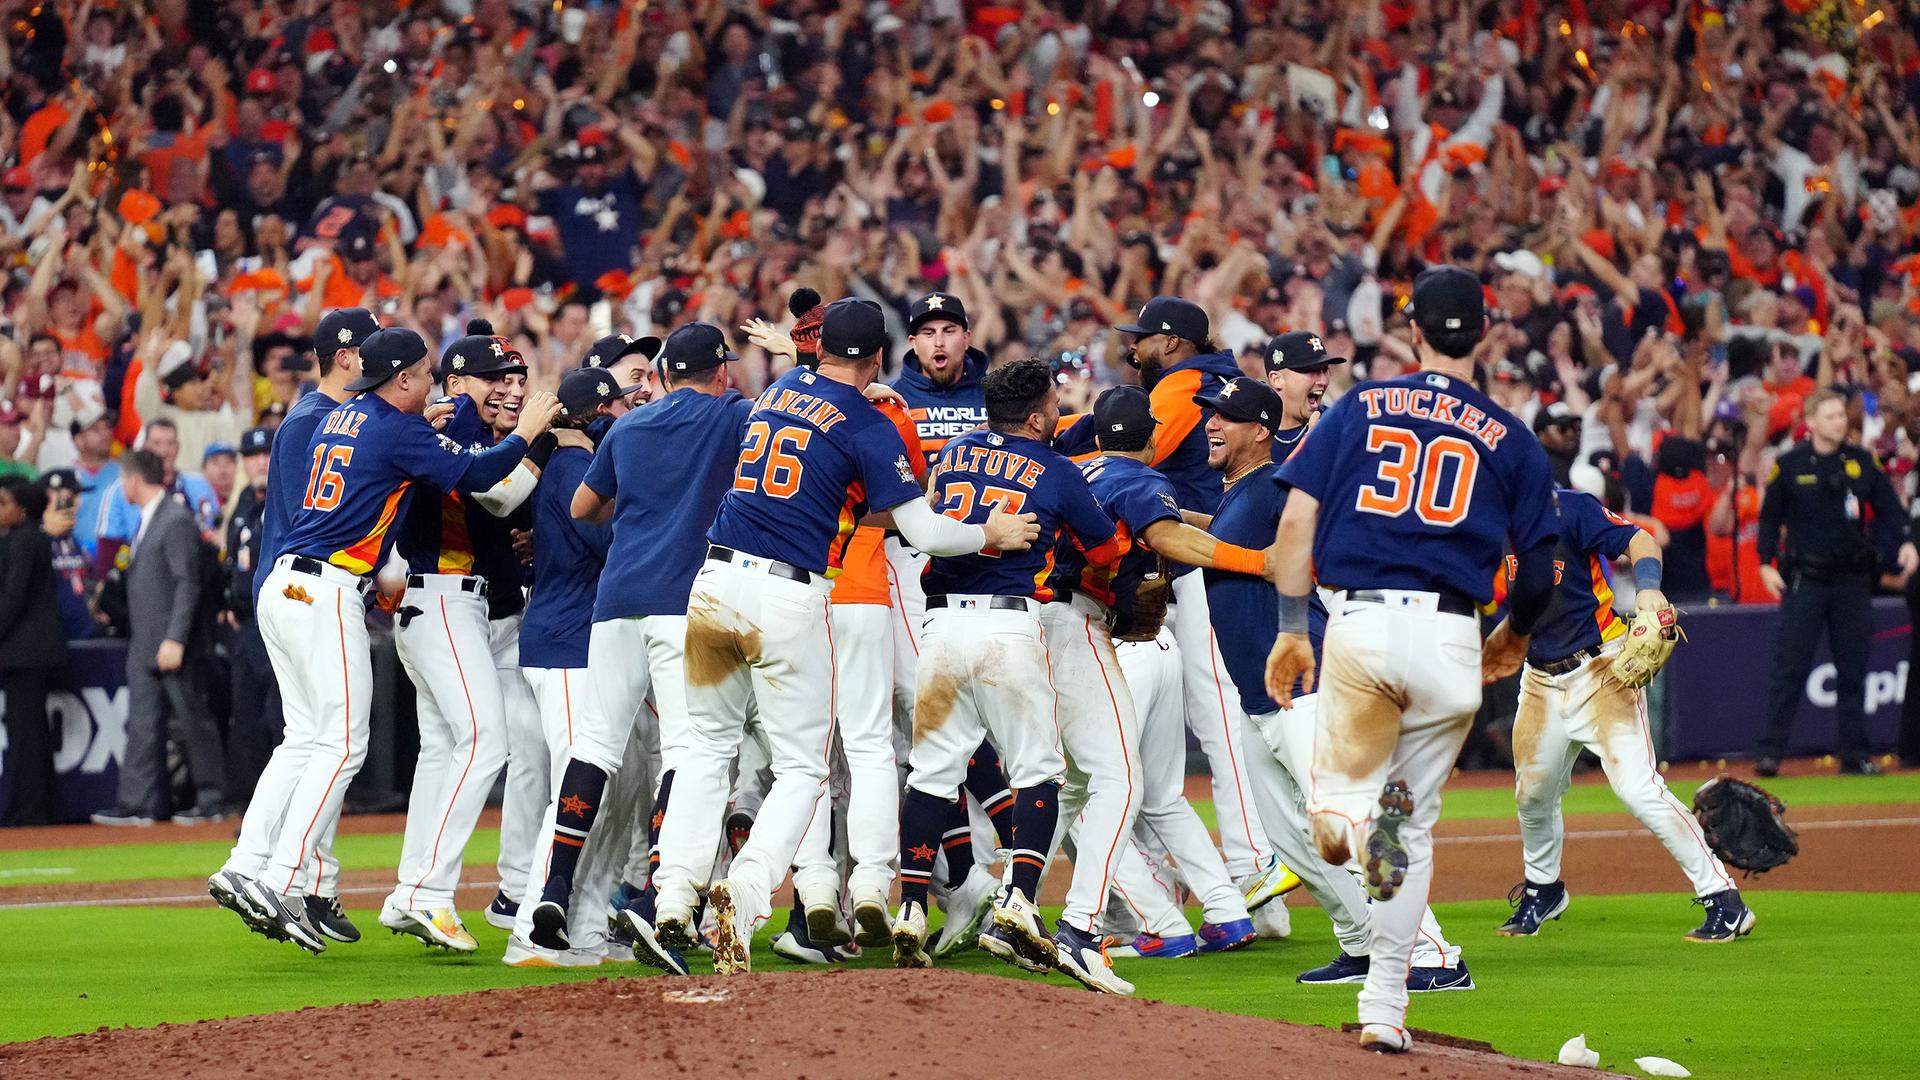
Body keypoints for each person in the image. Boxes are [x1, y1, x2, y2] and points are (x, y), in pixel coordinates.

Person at [649, 298, 1036, 975]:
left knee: (707, 749)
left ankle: (672, 903)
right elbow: (925, 533)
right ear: (882, 355)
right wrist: (989, 533)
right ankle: (744, 893)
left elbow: (819, 394)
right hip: (787, 592)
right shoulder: (870, 420)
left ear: (818, 348)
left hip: (712, 583)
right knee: (804, 766)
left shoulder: (776, 390)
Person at [1265, 266, 1559, 1053]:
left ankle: (1339, 811)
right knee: (1408, 825)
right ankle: (1386, 1006)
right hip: (1452, 639)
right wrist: (1514, 635)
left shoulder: (1360, 406)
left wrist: (1294, 625)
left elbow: (1296, 527)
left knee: (1346, 793)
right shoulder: (1512, 435)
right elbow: (1539, 573)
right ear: (1486, 331)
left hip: (1361, 625)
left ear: (1414, 330)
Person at [222, 327, 556, 954]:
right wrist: (529, 435)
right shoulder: (411, 424)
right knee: (368, 744)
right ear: (407, 378)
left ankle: (252, 865)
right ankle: (295, 877)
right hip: (365, 591)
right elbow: (486, 477)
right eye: (431, 374)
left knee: (333, 741)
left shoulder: (342, 415)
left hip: (299, 584)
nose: (506, 390)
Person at [1198, 370, 1470, 992]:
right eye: (1210, 413)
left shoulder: (1274, 484)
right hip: (1257, 696)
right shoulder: (1239, 493)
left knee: (1357, 818)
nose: (1211, 423)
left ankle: (1432, 954)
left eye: (1225, 416)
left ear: (1262, 431)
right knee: (1292, 837)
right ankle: (1361, 943)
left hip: (1306, 683)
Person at [890, 357, 1127, 991]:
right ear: (1034, 414)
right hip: (1008, 628)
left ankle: (911, 908)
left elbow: (933, 529)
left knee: (932, 774)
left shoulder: (953, 457)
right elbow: (1106, 548)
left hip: (939, 628)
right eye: (1052, 401)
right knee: (1038, 770)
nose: (1057, 407)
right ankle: (1019, 898)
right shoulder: (1056, 469)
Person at [532, 322, 752, 976]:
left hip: (616, 600)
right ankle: (657, 895)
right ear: (718, 371)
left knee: (594, 746)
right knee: (687, 749)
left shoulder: (629, 427)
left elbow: (583, 505)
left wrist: (641, 509)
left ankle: (553, 890)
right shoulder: (729, 415)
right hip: (682, 602)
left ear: (658, 376)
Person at [1065, 296, 1277, 927]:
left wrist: (1052, 446)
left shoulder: (1185, 384)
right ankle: (1225, 895)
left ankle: (1234, 876)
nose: (1134, 348)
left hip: (1164, 594)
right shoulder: (1212, 378)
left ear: (1173, 342)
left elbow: (1141, 457)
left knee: (1203, 729)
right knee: (1164, 778)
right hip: (1173, 592)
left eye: (1145, 339)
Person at [1494, 488, 1752, 942]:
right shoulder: (1487, 520)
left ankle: (1724, 900)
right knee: (1532, 795)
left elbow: (1642, 541)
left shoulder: (1569, 508)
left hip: (1599, 670)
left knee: (1639, 789)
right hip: (1538, 678)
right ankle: (1543, 888)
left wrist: (1648, 587)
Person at [209, 307, 377, 949]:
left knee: (306, 740)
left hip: (283, 587)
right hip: (309, 584)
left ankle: (258, 867)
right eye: (374, 351)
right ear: (345, 356)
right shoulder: (321, 422)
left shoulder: (310, 417)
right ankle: (291, 881)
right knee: (336, 743)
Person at [381, 324, 539, 953]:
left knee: (444, 752)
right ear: (454, 383)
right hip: (442, 600)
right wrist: (536, 438)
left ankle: (410, 890)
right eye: (492, 378)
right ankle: (427, 892)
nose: (508, 389)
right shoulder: (447, 425)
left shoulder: (469, 426)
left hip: (460, 609)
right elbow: (495, 497)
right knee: (486, 740)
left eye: (515, 377)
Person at [503, 364, 639, 968]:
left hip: (574, 641)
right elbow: (604, 542)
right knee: (573, 790)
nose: (620, 415)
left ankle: (581, 931)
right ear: (590, 415)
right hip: (563, 645)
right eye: (612, 406)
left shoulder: (569, 466)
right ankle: (532, 933)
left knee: (601, 791)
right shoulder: (569, 468)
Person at [1754, 389, 1917, 777]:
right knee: (1789, 668)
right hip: (1806, 579)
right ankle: (1770, 753)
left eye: (1841, 416)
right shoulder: (1789, 465)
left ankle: (1854, 754)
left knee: (1853, 668)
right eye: (1829, 416)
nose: (1839, 422)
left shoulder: (1861, 462)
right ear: (1810, 423)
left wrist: (1907, 541)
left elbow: (1891, 511)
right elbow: (1769, 518)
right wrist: (1764, 562)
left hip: (1851, 579)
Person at [91, 448, 228, 827]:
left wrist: (176, 639)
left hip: (172, 644)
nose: (122, 487)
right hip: (145, 642)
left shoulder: (175, 519)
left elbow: (189, 583)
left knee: (192, 719)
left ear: (134, 480)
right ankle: (138, 804)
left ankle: (211, 799)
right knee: (143, 723)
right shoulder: (149, 519)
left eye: (123, 480)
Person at [0, 475, 66, 825]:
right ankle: (37, 807)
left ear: (22, 509)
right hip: (32, 652)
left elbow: (12, 599)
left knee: (25, 733)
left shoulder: (21, 542)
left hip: (24, 652)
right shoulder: (31, 539)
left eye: (3, 504)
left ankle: (26, 811)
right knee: (31, 731)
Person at [221, 426, 281, 804]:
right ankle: (255, 810)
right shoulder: (240, 508)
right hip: (245, 626)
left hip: (275, 624)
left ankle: (284, 808)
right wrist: (228, 601)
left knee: (279, 719)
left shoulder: (286, 499)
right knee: (247, 719)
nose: (258, 461)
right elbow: (232, 564)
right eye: (251, 455)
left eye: (265, 453)